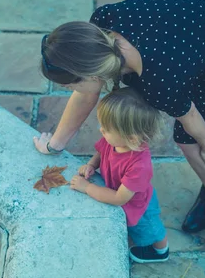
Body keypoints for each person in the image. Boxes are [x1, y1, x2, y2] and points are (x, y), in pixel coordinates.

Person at [34, 0, 205, 250]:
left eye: (69, 86)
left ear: (93, 75)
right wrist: (56, 144)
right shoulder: (102, 29)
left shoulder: (159, 77)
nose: (69, 92)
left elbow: (190, 116)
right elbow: (86, 94)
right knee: (194, 136)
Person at [69, 87, 169, 263]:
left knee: (151, 229)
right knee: (144, 230)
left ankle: (161, 252)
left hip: (138, 205)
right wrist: (92, 164)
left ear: (130, 138)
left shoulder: (139, 165)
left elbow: (119, 199)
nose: (101, 130)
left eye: (106, 129)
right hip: (125, 192)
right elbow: (101, 152)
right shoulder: (115, 141)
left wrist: (87, 188)